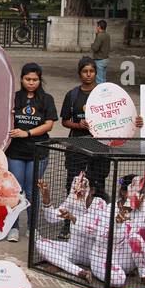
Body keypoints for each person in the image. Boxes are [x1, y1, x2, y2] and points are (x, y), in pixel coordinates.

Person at [5, 62, 57, 242]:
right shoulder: (14, 97)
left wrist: (26, 133)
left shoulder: (46, 99)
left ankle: (32, 227)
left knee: (32, 189)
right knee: (15, 191)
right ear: (21, 79)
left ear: (40, 80)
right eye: (28, 79)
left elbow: (49, 124)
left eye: (35, 79)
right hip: (15, 152)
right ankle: (13, 227)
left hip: (38, 151)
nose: (31, 82)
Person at [59, 57, 111, 199]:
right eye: (85, 71)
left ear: (96, 73)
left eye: (92, 71)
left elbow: (114, 117)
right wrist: (78, 125)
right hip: (77, 144)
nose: (88, 74)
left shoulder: (104, 93)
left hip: (100, 145)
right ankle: (70, 219)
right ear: (79, 73)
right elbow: (64, 121)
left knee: (98, 183)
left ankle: (97, 217)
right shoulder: (72, 95)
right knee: (74, 182)